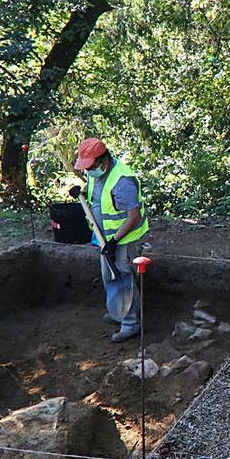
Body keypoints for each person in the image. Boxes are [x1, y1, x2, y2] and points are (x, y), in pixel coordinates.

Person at [71, 137, 149, 343]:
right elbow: (97, 196)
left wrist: (114, 241)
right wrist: (81, 192)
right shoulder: (96, 173)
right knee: (109, 277)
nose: (88, 171)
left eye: (91, 166)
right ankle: (118, 313)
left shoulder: (123, 181)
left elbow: (134, 217)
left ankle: (131, 323)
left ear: (103, 160)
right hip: (102, 237)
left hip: (123, 239)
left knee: (124, 279)